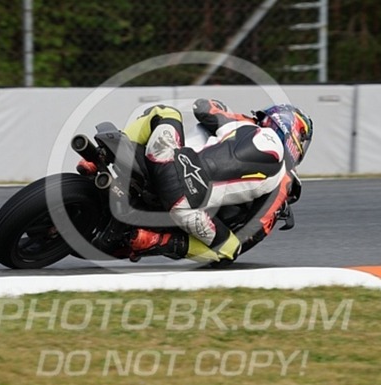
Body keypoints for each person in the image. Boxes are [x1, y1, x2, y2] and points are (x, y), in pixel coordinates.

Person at [78, 98, 313, 265]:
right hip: (186, 207)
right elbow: (254, 232)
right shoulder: (285, 180)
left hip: (163, 160)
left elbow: (202, 106)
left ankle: (99, 158)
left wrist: (233, 114)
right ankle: (153, 240)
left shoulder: (239, 125)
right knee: (230, 250)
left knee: (164, 111)